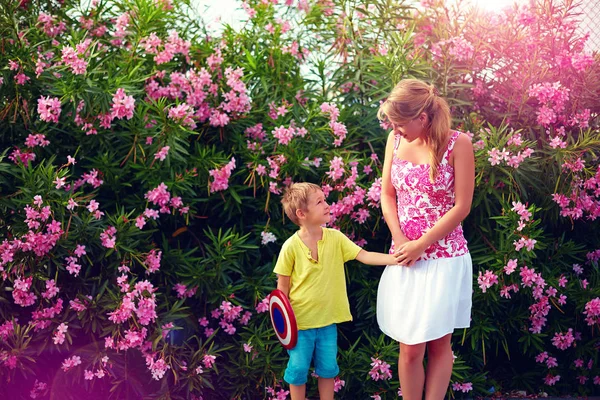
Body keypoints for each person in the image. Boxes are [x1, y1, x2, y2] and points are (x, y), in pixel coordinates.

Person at [376, 79, 475, 400]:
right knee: (409, 348)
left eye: (401, 123)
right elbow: (387, 195)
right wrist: (400, 238)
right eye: (393, 123)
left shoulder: (459, 144)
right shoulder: (394, 140)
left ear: (423, 117)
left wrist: (422, 244)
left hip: (445, 258)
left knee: (439, 344)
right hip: (405, 257)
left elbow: (462, 206)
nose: (396, 129)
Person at [274, 182, 402, 400]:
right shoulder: (290, 247)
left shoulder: (335, 238)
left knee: (328, 369)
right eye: (319, 202)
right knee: (297, 371)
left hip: (327, 322)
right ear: (301, 213)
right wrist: (284, 327)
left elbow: (364, 255)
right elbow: (281, 291)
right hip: (300, 325)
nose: (327, 204)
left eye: (325, 199)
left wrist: (397, 259)